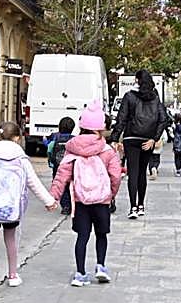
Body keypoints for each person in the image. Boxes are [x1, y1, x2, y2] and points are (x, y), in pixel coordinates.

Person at [0, 121, 56, 290]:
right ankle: (12, 275)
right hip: (12, 207)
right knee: (11, 240)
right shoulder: (20, 157)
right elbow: (33, 182)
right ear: (17, 138)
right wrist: (49, 201)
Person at [49, 100, 122, 287]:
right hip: (101, 201)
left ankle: (80, 273)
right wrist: (111, 194)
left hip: (81, 200)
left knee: (82, 237)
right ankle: (101, 266)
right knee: (101, 235)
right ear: (100, 128)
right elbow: (115, 175)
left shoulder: (72, 149)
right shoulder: (107, 151)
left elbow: (62, 174)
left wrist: (53, 196)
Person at [111, 70, 169, 219]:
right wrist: (154, 138)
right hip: (147, 140)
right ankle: (141, 205)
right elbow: (164, 119)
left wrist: (115, 138)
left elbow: (121, 119)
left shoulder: (129, 96)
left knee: (133, 173)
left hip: (131, 138)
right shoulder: (155, 98)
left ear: (137, 80)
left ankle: (133, 207)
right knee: (142, 172)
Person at [44, 117, 75, 215]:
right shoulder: (74, 139)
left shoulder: (55, 138)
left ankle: (65, 206)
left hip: (57, 167)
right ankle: (72, 204)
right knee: (70, 186)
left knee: (61, 186)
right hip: (71, 167)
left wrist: (45, 141)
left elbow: (49, 147)